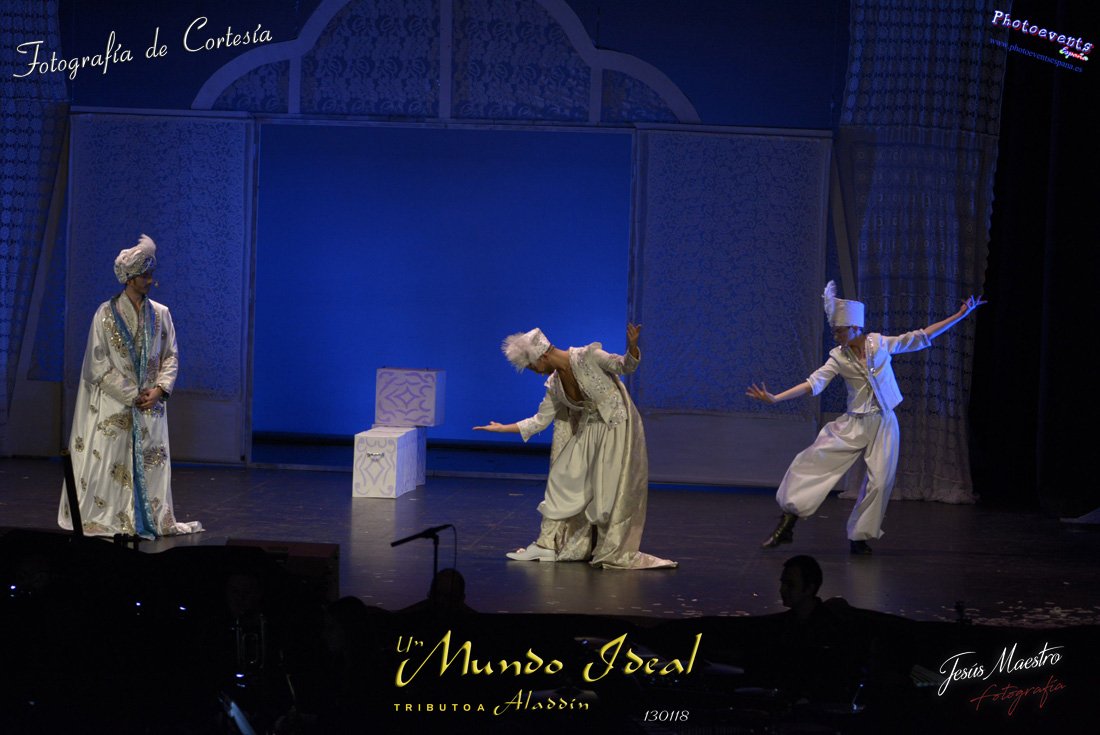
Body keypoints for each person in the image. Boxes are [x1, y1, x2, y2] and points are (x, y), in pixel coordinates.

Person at [748, 282, 985, 554]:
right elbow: (813, 383)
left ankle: (859, 537)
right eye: (834, 330)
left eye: (839, 330)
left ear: (854, 327)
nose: (836, 335)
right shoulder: (838, 357)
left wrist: (959, 315)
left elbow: (920, 337)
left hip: (884, 422)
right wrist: (776, 398)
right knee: (815, 461)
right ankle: (787, 523)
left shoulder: (880, 344)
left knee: (880, 481)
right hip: (854, 423)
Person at [474, 324, 675, 569]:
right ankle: (545, 545)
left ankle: (608, 546)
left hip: (615, 428)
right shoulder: (554, 384)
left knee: (606, 495)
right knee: (561, 478)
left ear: (542, 356)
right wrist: (502, 428)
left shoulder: (589, 355)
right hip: (589, 430)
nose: (534, 372)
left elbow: (625, 366)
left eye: (532, 367)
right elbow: (540, 420)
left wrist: (632, 346)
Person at [58, 234, 202, 538]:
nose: (150, 280)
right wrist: (131, 394)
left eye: (150, 274)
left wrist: (159, 390)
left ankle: (148, 519)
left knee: (151, 462)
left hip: (151, 403)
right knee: (111, 462)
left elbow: (171, 355)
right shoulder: (105, 314)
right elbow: (97, 363)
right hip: (116, 403)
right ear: (130, 278)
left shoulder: (161, 314)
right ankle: (113, 517)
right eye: (145, 275)